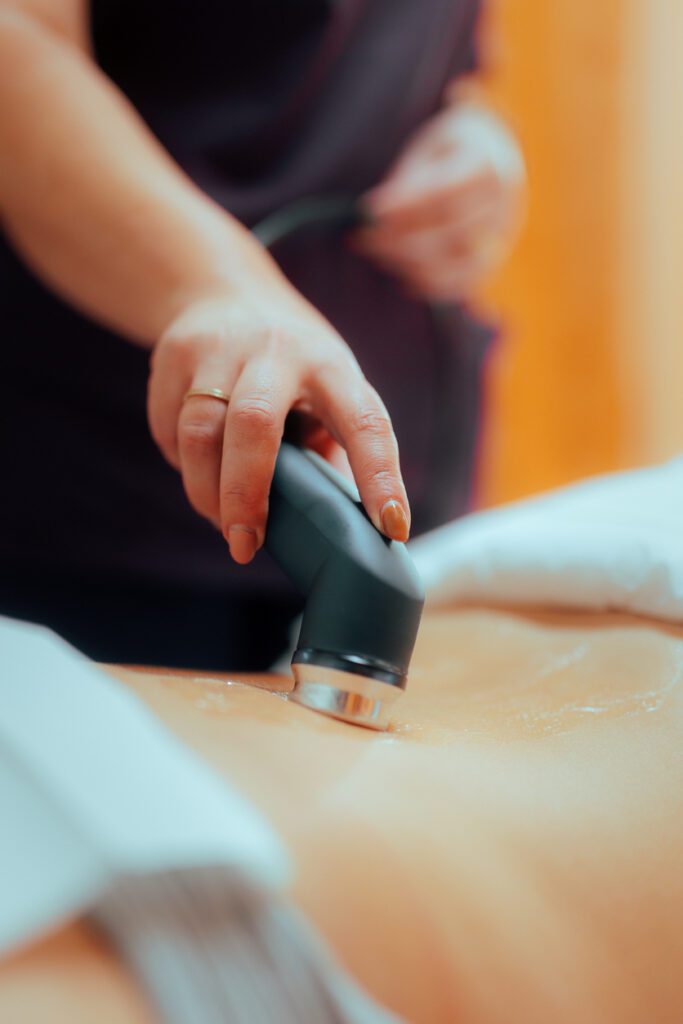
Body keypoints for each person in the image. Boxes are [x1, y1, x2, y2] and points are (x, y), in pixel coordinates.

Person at [0, 1, 524, 668]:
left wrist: (470, 131)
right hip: (101, 507)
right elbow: (17, 43)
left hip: (395, 480)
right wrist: (217, 284)